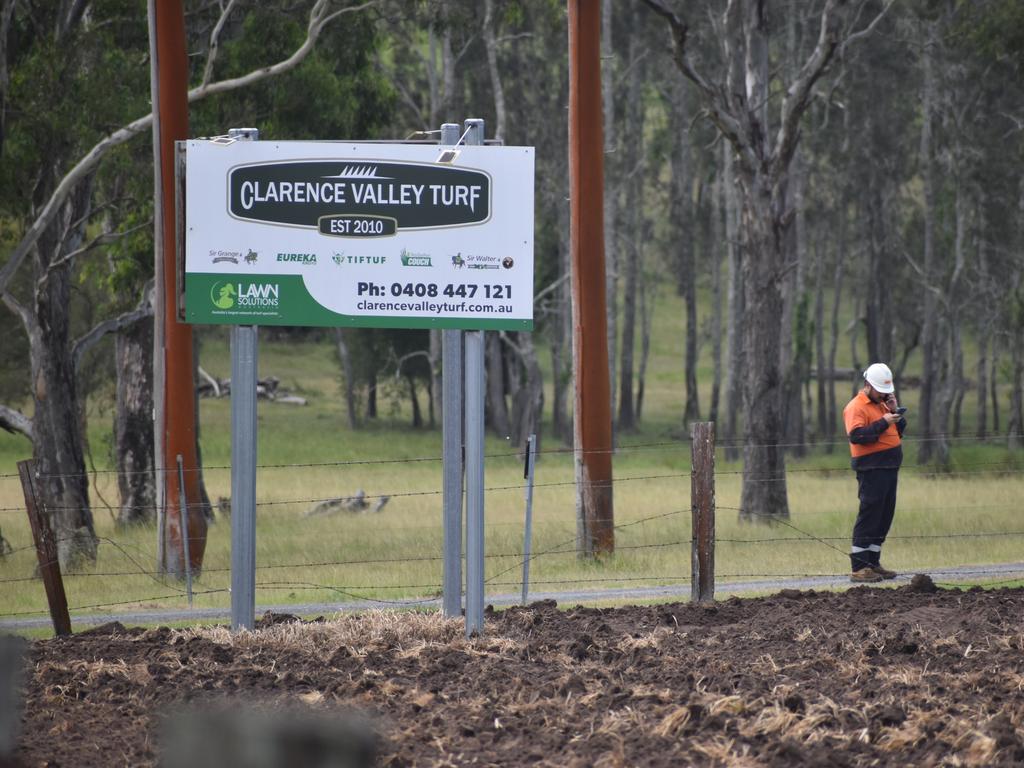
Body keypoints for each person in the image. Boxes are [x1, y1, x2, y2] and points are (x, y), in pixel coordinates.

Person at [843, 363, 906, 583]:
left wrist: (894, 411)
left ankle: (873, 563)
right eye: (882, 390)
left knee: (884, 516)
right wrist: (882, 422)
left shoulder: (883, 404)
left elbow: (898, 431)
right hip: (871, 468)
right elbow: (857, 436)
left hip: (889, 467)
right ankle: (859, 567)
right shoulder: (856, 406)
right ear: (868, 385)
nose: (885, 394)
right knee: (870, 514)